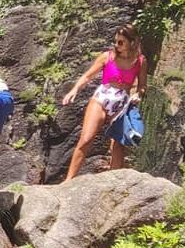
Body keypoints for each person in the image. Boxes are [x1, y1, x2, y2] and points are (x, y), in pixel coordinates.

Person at [61, 25, 148, 181]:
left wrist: (138, 94)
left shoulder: (140, 61)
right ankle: (68, 180)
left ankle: (112, 182)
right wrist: (74, 90)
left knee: (118, 145)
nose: (117, 45)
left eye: (121, 42)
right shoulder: (107, 57)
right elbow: (87, 76)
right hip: (102, 98)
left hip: (122, 104)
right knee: (86, 138)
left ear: (132, 42)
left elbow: (142, 86)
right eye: (115, 41)